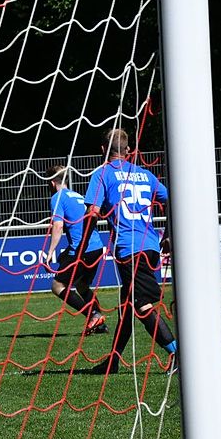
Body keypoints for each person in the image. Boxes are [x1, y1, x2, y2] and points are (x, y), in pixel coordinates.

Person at [83, 129, 177, 374]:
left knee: (142, 306)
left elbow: (93, 213)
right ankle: (113, 362)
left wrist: (83, 244)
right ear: (128, 151)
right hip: (150, 246)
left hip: (129, 250)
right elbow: (173, 199)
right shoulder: (145, 174)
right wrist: (168, 234)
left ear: (103, 150)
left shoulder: (102, 173)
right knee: (127, 308)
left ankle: (178, 354)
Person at [45, 165, 109, 335]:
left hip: (82, 250)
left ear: (52, 183)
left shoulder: (57, 197)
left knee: (58, 286)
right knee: (82, 285)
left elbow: (58, 226)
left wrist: (50, 252)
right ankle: (100, 324)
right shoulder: (78, 196)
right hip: (96, 247)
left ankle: (94, 315)